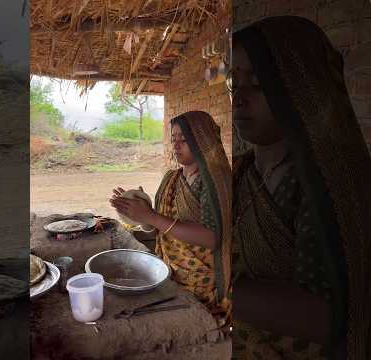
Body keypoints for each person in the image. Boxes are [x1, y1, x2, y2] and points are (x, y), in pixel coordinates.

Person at [230, 16, 371, 359]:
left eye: (259, 82)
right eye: (235, 83)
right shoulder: (241, 172)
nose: (239, 98)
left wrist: (211, 288)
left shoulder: (330, 184)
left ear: (300, 84)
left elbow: (326, 316)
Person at [110, 110, 232, 318]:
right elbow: (158, 226)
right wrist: (140, 211)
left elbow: (213, 238)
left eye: (184, 139)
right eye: (173, 139)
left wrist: (150, 216)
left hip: (202, 280)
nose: (176, 145)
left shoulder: (217, 182)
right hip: (168, 271)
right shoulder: (171, 178)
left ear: (204, 140)